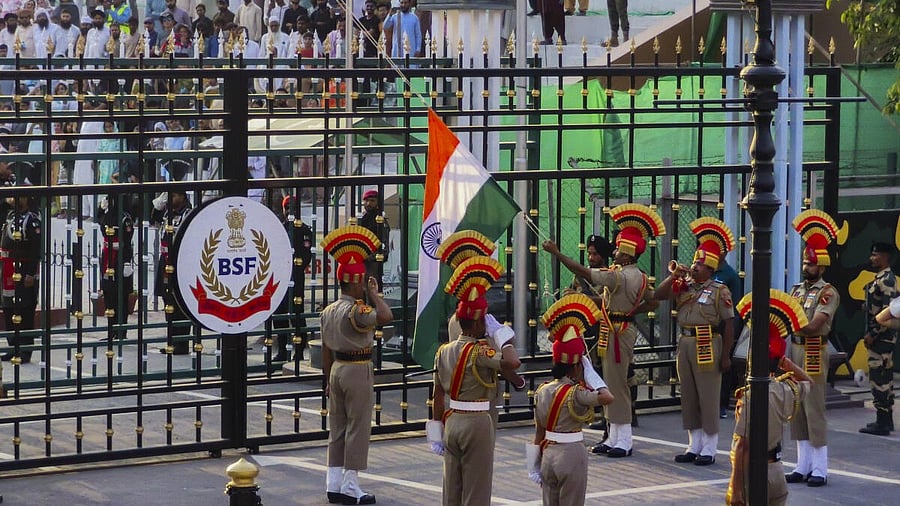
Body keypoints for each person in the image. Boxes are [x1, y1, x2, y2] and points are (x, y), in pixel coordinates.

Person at [543, 203, 665, 458]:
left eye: (619, 249)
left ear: (628, 253)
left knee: (616, 385)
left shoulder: (619, 276)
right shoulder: (640, 276)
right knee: (612, 381)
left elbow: (582, 271)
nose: (615, 252)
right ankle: (614, 437)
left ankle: (624, 440)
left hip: (617, 330)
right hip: (619, 327)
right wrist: (631, 311)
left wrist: (557, 253)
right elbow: (652, 301)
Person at [429, 255, 517, 506]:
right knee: (476, 491)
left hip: (452, 419)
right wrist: (501, 335)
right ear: (479, 321)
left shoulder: (443, 351)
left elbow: (437, 395)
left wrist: (436, 430)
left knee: (452, 489)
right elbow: (513, 362)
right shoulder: (481, 352)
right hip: (477, 422)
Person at [320, 224, 392, 505]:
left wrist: (327, 379)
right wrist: (373, 294)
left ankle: (334, 483)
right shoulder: (357, 311)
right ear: (355, 282)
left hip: (336, 370)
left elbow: (326, 349)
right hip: (357, 369)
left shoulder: (328, 310)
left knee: (337, 427)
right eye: (361, 281)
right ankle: (351, 486)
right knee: (357, 428)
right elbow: (385, 316)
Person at [655, 217, 735, 466]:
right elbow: (658, 295)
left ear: (710, 268)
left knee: (708, 395)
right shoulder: (685, 285)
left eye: (699, 265)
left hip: (707, 342)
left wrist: (726, 355)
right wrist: (674, 276)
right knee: (688, 394)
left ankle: (709, 448)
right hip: (686, 342)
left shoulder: (720, 290)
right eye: (694, 263)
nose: (694, 267)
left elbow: (730, 323)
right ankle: (693, 444)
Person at [726, 289, 813, 506]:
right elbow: (808, 383)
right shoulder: (785, 390)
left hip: (753, 474)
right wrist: (787, 364)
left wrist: (735, 488)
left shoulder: (750, 395)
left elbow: (742, 445)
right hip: (776, 471)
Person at [529, 294, 615, 506]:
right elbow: (607, 397)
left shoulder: (542, 391)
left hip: (548, 454)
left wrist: (533, 464)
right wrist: (592, 375)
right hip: (571, 455)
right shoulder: (577, 393)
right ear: (577, 366)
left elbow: (539, 431)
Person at [436, 230, 525, 423]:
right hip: (479, 397)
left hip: (459, 399)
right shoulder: (476, 322)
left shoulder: (458, 319)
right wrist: (518, 380)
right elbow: (500, 361)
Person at [783, 209, 841, 486]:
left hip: (814, 350)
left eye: (811, 264)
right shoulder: (797, 290)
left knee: (813, 406)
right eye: (806, 263)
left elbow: (815, 324)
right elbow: (789, 320)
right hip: (794, 348)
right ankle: (801, 464)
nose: (806, 267)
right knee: (797, 406)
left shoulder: (827, 292)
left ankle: (820, 468)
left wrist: (793, 319)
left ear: (822, 266)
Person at [859, 241, 898, 436]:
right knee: (884, 377)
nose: (872, 258)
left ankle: (882, 422)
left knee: (879, 378)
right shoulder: (881, 279)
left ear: (885, 257)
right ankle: (886, 420)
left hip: (882, 338)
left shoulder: (887, 280)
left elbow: (888, 312)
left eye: (876, 255)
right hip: (881, 337)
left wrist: (873, 334)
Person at [0, 181, 40, 364]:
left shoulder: (32, 220)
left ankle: (25, 349)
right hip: (8, 266)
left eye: (19, 195)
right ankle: (13, 345)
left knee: (25, 309)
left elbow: (35, 249)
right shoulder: (10, 215)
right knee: (9, 307)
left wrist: (31, 273)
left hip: (24, 268)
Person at [271, 195, 313, 363]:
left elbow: (306, 256)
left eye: (293, 208)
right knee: (279, 314)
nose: (290, 211)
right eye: (287, 208)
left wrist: (294, 268)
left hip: (296, 277)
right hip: (280, 278)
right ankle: (282, 351)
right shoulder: (279, 229)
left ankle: (299, 351)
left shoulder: (304, 230)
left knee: (297, 314)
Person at [152, 190, 193, 355]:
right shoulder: (168, 212)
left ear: (183, 197)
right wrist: (158, 204)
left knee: (180, 303)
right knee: (167, 300)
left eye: (174, 195)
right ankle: (171, 341)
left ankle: (181, 343)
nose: (171, 199)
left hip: (180, 260)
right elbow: (153, 219)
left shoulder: (188, 213)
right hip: (165, 259)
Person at [96, 194, 135, 342]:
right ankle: (111, 329)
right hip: (107, 258)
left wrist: (126, 262)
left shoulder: (125, 219)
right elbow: (99, 222)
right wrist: (100, 208)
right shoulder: (108, 216)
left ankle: (121, 330)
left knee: (121, 295)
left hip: (119, 259)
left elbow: (127, 241)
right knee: (109, 293)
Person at [715, 256, 741, 419]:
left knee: (723, 364)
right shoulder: (704, 271)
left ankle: (721, 404)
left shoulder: (730, 275)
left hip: (723, 326)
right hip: (705, 327)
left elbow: (735, 308)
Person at [357, 189, 390, 291]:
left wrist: (376, 257)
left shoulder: (380, 220)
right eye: (366, 201)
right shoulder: (361, 219)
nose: (368, 203)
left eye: (372, 201)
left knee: (372, 291)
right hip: (360, 261)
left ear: (377, 203)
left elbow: (384, 243)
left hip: (373, 261)